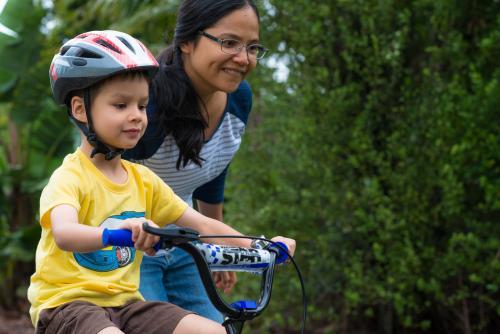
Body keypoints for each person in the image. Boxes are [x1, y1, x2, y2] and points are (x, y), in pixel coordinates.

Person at [27, 30, 295, 334]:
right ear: (80, 109)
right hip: (69, 306)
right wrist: (114, 234)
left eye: (142, 106)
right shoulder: (70, 176)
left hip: (128, 306)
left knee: (214, 330)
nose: (137, 116)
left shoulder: (143, 181)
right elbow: (64, 233)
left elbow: (203, 226)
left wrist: (264, 246)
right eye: (120, 105)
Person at [122, 0, 268, 323]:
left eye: (253, 47)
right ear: (186, 41)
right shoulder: (149, 102)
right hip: (128, 244)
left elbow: (212, 175)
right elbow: (100, 175)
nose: (243, 58)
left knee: (216, 328)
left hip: (185, 241)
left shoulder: (239, 99)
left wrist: (217, 251)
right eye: (229, 43)